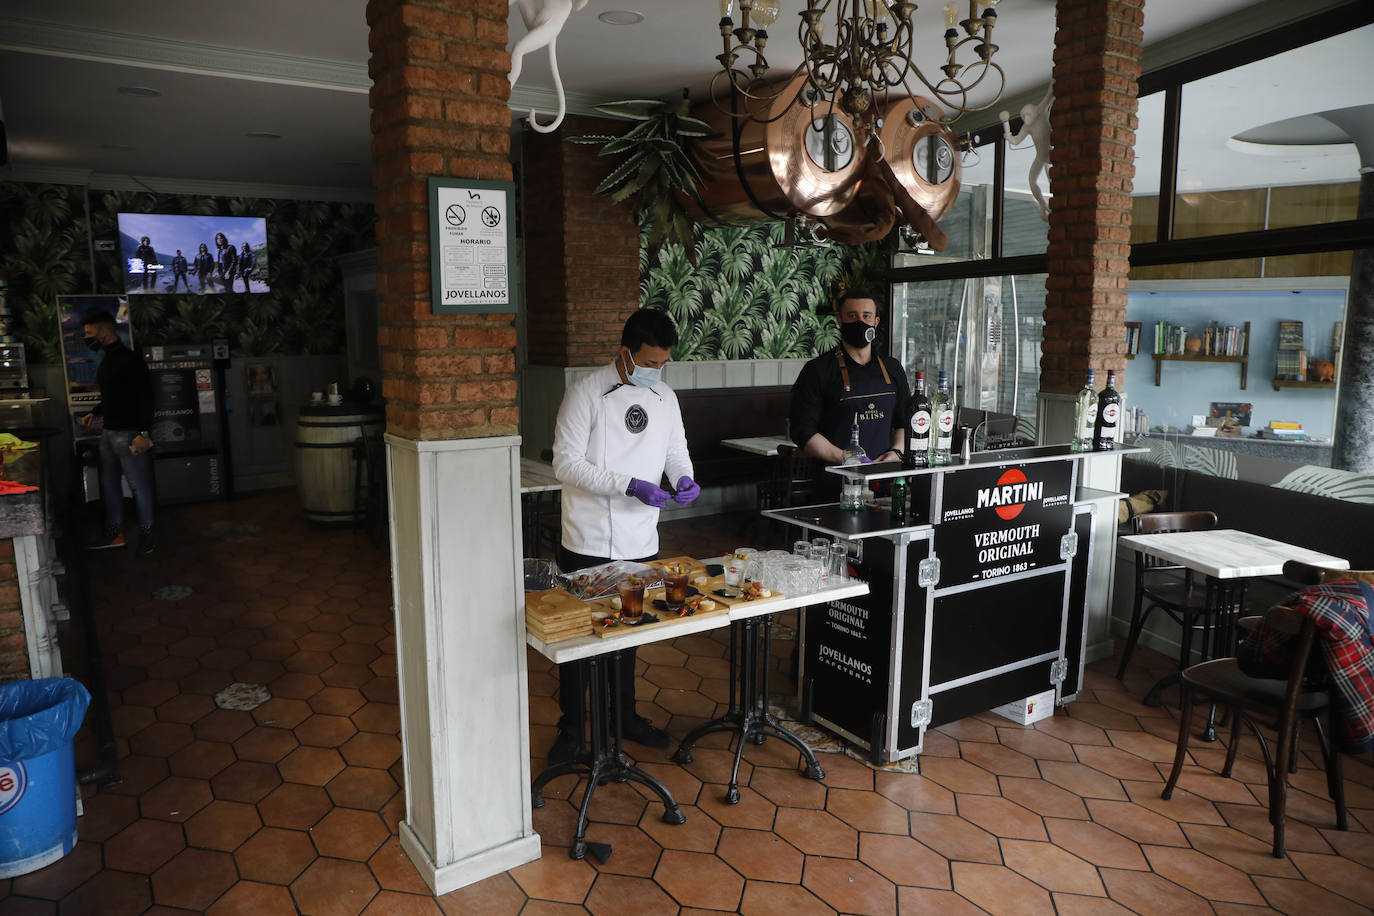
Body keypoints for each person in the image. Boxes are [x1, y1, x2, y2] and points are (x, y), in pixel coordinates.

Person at [548, 309, 700, 764]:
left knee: (630, 630)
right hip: (587, 538)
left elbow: (676, 450)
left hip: (640, 538)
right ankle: (572, 727)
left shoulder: (665, 397)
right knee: (579, 637)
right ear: (625, 353)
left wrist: (685, 477)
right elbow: (565, 464)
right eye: (649, 363)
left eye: (662, 364)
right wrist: (629, 484)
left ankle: (625, 716)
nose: (656, 371)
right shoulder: (586, 394)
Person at [789, 287, 910, 497]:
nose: (860, 322)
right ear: (840, 320)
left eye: (866, 316)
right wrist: (848, 459)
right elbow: (804, 433)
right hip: (834, 485)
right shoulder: (817, 371)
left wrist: (897, 452)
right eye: (852, 316)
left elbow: (903, 422)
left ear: (876, 322)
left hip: (884, 482)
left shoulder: (893, 369)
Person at [80, 309, 156, 555]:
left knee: (139, 486)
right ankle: (115, 532)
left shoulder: (131, 361)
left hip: (130, 434)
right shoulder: (108, 360)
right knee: (109, 484)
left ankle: (147, 536)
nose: (87, 337)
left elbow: (146, 398)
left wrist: (144, 431)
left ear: (104, 330)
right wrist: (97, 411)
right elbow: (113, 395)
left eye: (90, 333)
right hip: (110, 433)